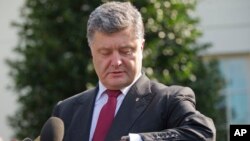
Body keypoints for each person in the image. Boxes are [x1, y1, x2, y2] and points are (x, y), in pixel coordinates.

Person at [51, 1, 216, 141]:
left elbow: (203, 132)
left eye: (126, 51)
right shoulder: (66, 110)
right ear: (91, 51)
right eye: (105, 53)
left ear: (141, 48)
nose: (116, 62)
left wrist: (140, 139)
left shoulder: (168, 101)